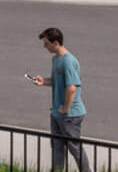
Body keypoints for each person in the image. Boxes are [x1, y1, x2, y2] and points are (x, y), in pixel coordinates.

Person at [29, 28, 87, 172]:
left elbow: (71, 88)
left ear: (56, 43)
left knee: (75, 148)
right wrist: (44, 81)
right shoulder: (56, 59)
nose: (45, 47)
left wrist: (66, 108)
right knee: (57, 147)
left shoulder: (68, 61)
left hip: (70, 115)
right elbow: (57, 80)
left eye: (46, 43)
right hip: (57, 113)